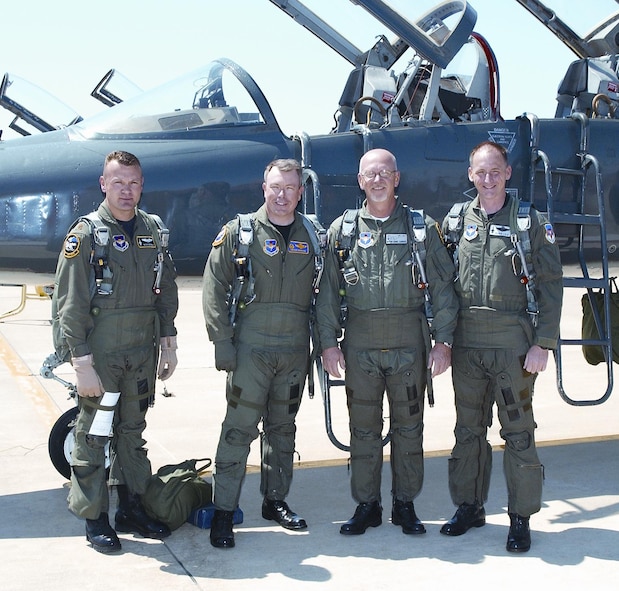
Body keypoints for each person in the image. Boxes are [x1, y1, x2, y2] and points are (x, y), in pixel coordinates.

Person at [316, 148, 458, 536]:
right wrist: (328, 343)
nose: (376, 180)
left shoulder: (422, 228)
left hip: (408, 340)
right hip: (359, 342)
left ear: (397, 178)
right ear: (360, 181)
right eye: (369, 175)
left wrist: (443, 341)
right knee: (362, 428)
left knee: (409, 427)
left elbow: (444, 288)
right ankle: (367, 505)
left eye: (384, 173)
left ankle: (405, 504)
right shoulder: (341, 231)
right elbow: (327, 292)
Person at [52, 150, 179, 554]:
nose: (127, 191)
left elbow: (166, 290)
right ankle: (95, 518)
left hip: (141, 351)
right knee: (94, 435)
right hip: (102, 354)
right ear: (103, 184)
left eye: (134, 183)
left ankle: (131, 507)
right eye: (118, 182)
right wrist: (81, 363)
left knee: (132, 433)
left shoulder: (153, 230)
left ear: (142, 186)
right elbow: (69, 304)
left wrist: (168, 340)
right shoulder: (87, 234)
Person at [439, 141, 563, 553]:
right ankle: (469, 507)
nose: (488, 179)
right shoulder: (456, 222)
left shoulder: (530, 223)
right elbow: (439, 285)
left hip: (513, 345)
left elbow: (551, 288)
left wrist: (543, 343)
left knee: (518, 432)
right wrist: (442, 338)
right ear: (470, 174)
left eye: (495, 171)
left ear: (508, 173)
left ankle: (520, 517)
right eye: (480, 172)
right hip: (467, 344)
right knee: (467, 431)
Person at [202, 158, 318, 549]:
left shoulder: (313, 235)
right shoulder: (240, 233)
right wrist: (221, 341)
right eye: (275, 187)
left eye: (290, 188)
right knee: (238, 430)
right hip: (251, 349)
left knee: (283, 431)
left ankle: (275, 501)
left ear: (300, 192)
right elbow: (214, 286)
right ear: (263, 188)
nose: (282, 195)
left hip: (293, 351)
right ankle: (223, 512)